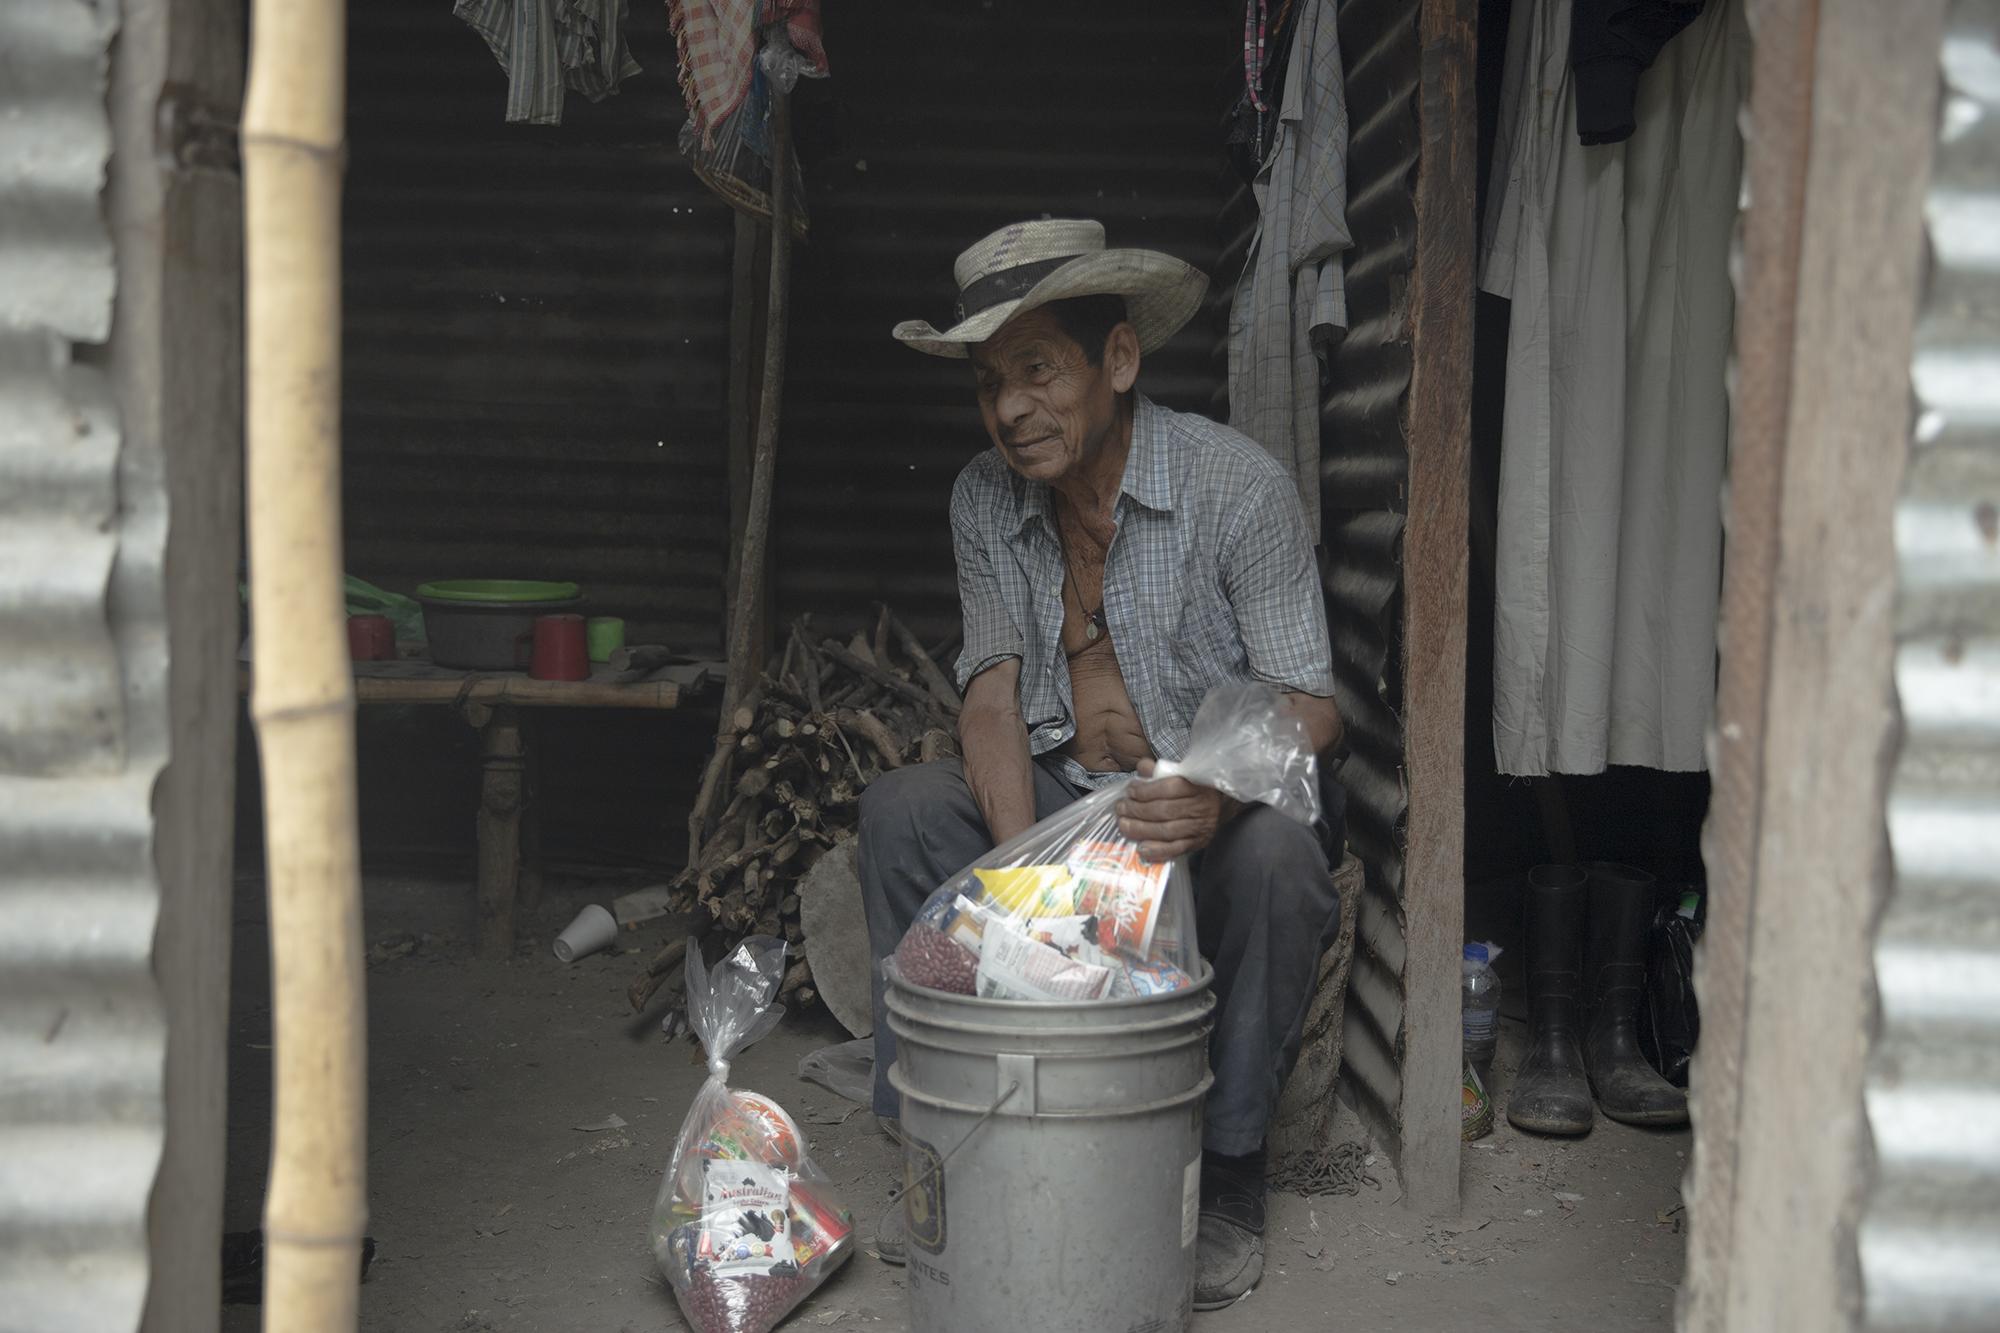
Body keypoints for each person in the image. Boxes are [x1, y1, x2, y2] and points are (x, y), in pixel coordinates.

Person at [861, 218, 1346, 1309]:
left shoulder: (1238, 486)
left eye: (1036, 371)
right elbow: (989, 692)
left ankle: (1224, 1176)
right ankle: (935, 1148)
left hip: (1198, 807)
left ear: (1116, 362)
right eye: (990, 383)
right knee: (900, 812)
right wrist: (1022, 877)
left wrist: (1216, 789)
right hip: (1063, 801)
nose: (1009, 411)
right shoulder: (983, 498)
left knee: (1281, 859)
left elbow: (1312, 706)